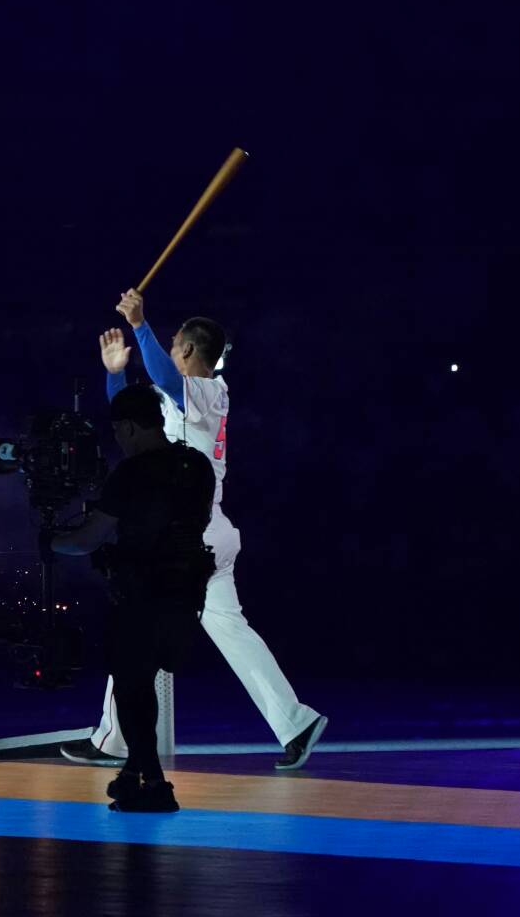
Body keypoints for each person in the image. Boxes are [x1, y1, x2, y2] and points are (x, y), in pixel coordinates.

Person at [59, 289, 328, 771]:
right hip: (203, 533)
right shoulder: (177, 401)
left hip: (190, 537)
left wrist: (141, 326)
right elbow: (129, 423)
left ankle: (112, 741)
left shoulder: (209, 391)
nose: (166, 347)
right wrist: (115, 371)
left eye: (171, 341)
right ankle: (296, 721)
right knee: (230, 631)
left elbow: (161, 374)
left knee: (136, 623)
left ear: (186, 350)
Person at [50, 383, 216, 811]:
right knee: (139, 685)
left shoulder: (133, 473)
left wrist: (51, 540)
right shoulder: (196, 466)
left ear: (126, 426)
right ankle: (133, 775)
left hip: (142, 594)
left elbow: (88, 539)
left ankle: (154, 783)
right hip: (186, 596)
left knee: (132, 686)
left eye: (119, 430)